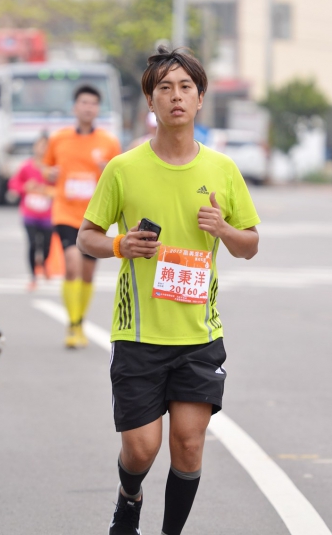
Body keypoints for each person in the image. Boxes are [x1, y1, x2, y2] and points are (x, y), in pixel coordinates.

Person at [77, 47, 260, 535]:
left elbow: (249, 245)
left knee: (188, 445)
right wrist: (120, 244)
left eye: (185, 87)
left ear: (200, 98)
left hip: (199, 335)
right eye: (164, 88)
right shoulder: (123, 168)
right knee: (141, 450)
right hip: (139, 334)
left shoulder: (222, 170)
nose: (176, 96)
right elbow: (86, 237)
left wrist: (224, 229)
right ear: (150, 101)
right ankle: (129, 497)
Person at [43, 84, 121, 349]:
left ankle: (80, 319)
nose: (88, 108)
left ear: (98, 109)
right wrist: (50, 174)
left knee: (87, 274)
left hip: (94, 216)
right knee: (72, 264)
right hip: (65, 212)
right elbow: (46, 167)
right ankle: (73, 323)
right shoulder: (59, 139)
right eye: (84, 103)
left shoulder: (108, 142)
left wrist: (107, 169)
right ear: (75, 107)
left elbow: (120, 176)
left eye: (93, 103)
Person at [8, 133, 53, 291]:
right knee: (33, 243)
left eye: (46, 146)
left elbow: (60, 188)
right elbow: (14, 183)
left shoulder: (52, 170)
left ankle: (44, 262)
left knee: (46, 245)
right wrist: (25, 187)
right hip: (30, 215)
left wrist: (48, 191)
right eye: (41, 145)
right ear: (35, 147)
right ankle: (33, 277)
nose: (43, 149)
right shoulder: (27, 167)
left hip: (48, 216)